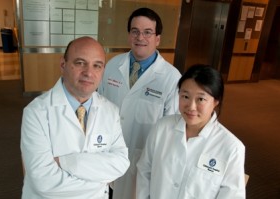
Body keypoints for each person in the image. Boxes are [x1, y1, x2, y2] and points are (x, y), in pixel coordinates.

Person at [20, 37, 130, 199]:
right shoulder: (36, 113)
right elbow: (44, 182)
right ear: (63, 65)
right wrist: (99, 181)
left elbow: (121, 163)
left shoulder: (110, 111)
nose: (89, 73)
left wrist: (67, 162)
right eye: (80, 63)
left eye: (97, 65)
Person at [98, 7, 181, 199]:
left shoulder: (171, 78)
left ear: (157, 39)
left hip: (141, 162)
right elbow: (99, 107)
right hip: (106, 154)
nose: (140, 37)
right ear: (129, 35)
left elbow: (171, 132)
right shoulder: (112, 66)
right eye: (135, 31)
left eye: (147, 32)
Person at [136, 64, 246, 199]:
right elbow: (144, 170)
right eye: (185, 96)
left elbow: (232, 195)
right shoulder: (162, 127)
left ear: (216, 101)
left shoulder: (231, 147)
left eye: (201, 99)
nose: (191, 107)